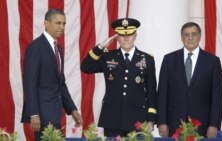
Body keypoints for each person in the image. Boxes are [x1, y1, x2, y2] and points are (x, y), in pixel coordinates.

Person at [81, 18, 157, 137]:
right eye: (122, 35)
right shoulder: (108, 57)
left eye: (130, 34)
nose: (126, 38)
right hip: (112, 119)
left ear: (135, 35)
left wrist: (151, 119)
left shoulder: (147, 59)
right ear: (117, 37)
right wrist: (100, 47)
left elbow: (151, 91)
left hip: (138, 120)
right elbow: (86, 67)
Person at [21, 9, 82, 141]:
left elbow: (60, 83)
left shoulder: (57, 48)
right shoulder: (36, 47)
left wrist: (72, 109)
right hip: (41, 115)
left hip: (54, 113)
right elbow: (29, 83)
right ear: (46, 23)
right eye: (58, 23)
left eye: (64, 23)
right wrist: (33, 113)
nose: (62, 27)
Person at [157, 22, 222, 138]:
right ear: (182, 38)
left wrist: (214, 125)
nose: (190, 38)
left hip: (202, 126)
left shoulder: (213, 62)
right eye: (186, 35)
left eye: (194, 34)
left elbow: (217, 97)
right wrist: (162, 122)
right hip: (174, 125)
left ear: (200, 36)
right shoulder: (169, 60)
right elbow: (162, 94)